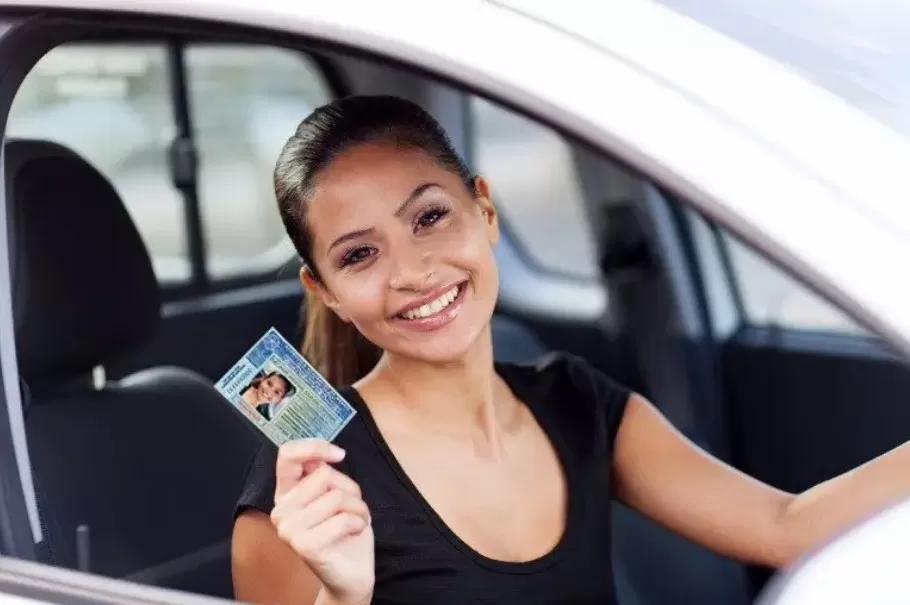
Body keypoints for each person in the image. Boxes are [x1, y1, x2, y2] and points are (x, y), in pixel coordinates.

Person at [231, 95, 910, 605]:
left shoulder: (577, 402)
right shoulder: (308, 489)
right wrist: (343, 595)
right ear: (327, 291)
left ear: (485, 212)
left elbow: (785, 525)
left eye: (430, 217)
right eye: (359, 255)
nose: (412, 272)